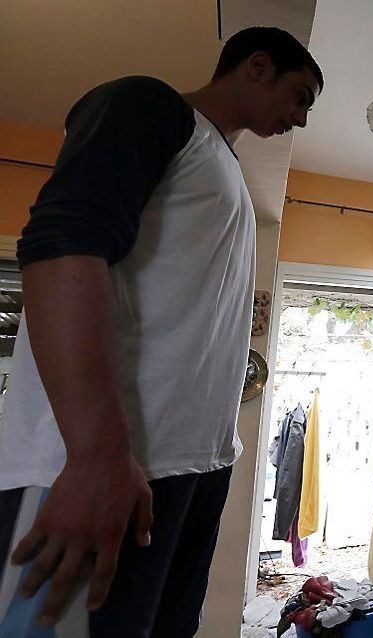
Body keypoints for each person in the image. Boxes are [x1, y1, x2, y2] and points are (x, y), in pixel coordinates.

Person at [0, 26, 323, 636]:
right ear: (257, 66)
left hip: (192, 466)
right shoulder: (150, 106)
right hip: (99, 465)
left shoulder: (226, 171)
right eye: (299, 95)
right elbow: (60, 248)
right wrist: (95, 455)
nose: (300, 118)